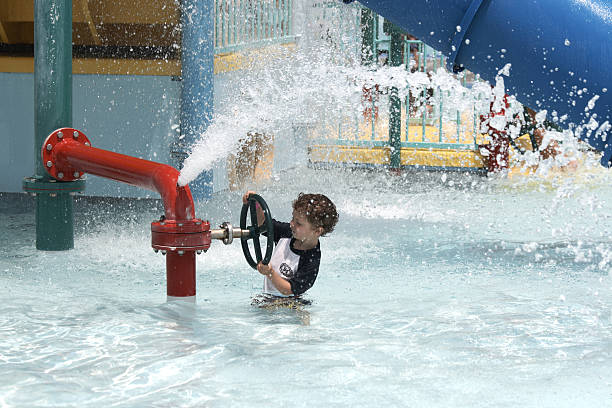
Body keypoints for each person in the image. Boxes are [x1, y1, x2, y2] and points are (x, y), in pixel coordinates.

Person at [243, 191, 339, 301]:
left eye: (298, 223)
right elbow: (263, 224)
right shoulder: (287, 233)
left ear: (317, 231)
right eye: (293, 218)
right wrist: (255, 205)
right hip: (269, 298)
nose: (292, 223)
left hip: (292, 304)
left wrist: (270, 273)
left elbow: (289, 290)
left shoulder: (311, 261)